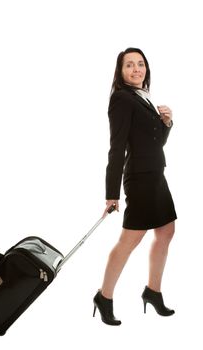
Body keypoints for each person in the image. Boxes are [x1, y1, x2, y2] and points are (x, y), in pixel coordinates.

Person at [93, 47, 177, 326]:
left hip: (156, 175)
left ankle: (152, 292)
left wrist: (166, 123)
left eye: (140, 64)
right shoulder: (121, 99)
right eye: (129, 65)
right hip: (140, 179)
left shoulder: (142, 97)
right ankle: (104, 297)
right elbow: (116, 149)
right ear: (120, 72)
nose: (136, 69)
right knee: (130, 240)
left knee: (166, 231)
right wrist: (111, 194)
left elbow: (154, 142)